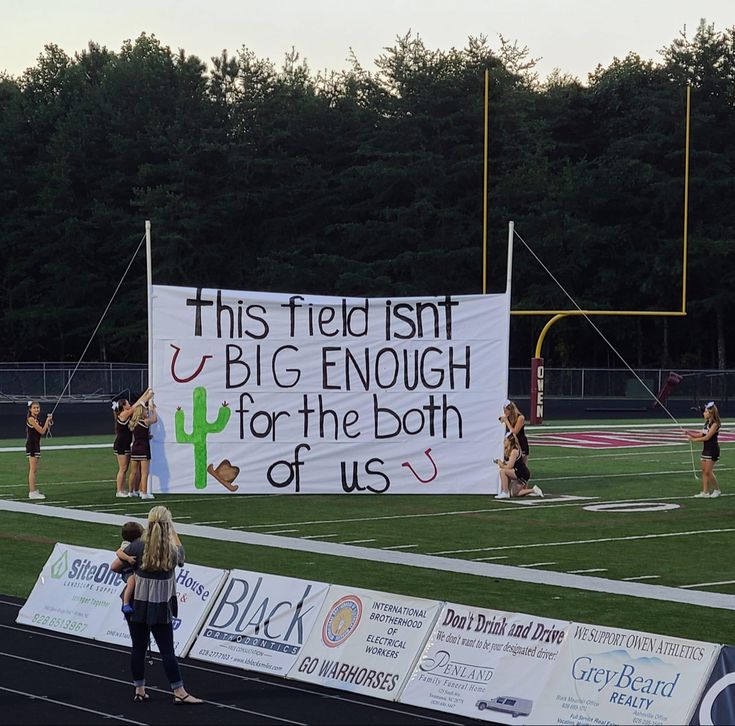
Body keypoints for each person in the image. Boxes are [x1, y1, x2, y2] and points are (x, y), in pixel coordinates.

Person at [110, 506, 202, 705]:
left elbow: (116, 566)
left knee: (138, 648)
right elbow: (182, 555)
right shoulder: (171, 550)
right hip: (160, 605)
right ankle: (179, 691)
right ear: (167, 526)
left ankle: (139, 689)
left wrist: (132, 574)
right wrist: (173, 531)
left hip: (137, 604)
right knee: (167, 651)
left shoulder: (135, 546)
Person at [113, 389, 153, 498]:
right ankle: (119, 491)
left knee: (126, 468)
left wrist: (146, 392)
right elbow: (137, 405)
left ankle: (128, 489)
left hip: (125, 444)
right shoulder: (124, 414)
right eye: (127, 403)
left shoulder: (126, 412)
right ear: (124, 406)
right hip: (121, 444)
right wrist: (148, 396)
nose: (129, 404)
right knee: (123, 468)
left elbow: (137, 404)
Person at [687, 401, 722, 498]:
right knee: (704, 471)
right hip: (706, 449)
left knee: (708, 471)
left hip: (712, 449)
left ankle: (717, 490)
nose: (704, 413)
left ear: (710, 413)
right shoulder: (707, 423)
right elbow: (702, 434)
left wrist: (694, 440)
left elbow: (707, 437)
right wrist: (689, 433)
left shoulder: (715, 424)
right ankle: (705, 492)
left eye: (705, 412)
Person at [495, 432, 543, 500]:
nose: (504, 442)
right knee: (515, 493)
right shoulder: (509, 450)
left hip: (522, 473)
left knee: (503, 471)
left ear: (510, 441)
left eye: (505, 440)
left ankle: (505, 492)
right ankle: (533, 490)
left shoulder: (514, 451)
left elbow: (509, 467)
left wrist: (500, 464)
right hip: (519, 472)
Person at [128, 395, 158, 501]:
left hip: (135, 448)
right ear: (142, 411)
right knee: (144, 473)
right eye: (145, 410)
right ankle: (144, 493)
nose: (147, 412)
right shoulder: (145, 421)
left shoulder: (133, 423)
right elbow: (155, 419)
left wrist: (147, 436)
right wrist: (153, 410)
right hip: (144, 448)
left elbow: (139, 435)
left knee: (133, 472)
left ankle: (131, 491)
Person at [115, 521, 144, 615]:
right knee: (131, 581)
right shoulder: (127, 545)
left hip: (133, 569)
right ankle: (126, 603)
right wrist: (128, 558)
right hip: (127, 571)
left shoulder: (134, 544)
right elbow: (119, 552)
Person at [26, 401, 53, 500]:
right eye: (34, 408)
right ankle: (32, 492)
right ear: (30, 409)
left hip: (36, 445)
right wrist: (47, 420)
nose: (37, 409)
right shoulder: (31, 419)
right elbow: (41, 431)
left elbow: (43, 430)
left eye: (38, 408)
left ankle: (33, 490)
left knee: (34, 469)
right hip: (32, 445)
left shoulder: (36, 419)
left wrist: (48, 422)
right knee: (32, 469)